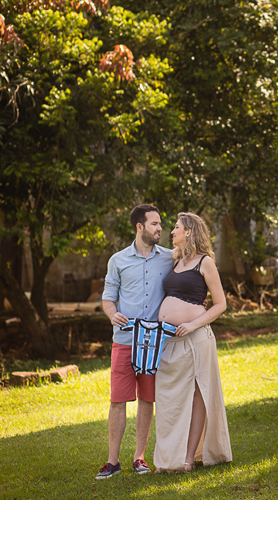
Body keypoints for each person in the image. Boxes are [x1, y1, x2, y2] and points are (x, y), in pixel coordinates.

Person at [97, 204, 172, 479]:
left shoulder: (169, 258)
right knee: (118, 400)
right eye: (154, 224)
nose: (160, 228)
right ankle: (112, 461)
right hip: (125, 340)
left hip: (153, 343)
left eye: (160, 223)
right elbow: (108, 297)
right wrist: (112, 313)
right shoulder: (117, 260)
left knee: (146, 400)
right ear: (140, 227)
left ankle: (139, 458)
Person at [154, 212, 232, 473]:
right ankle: (168, 458)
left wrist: (192, 324)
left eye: (176, 227)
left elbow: (221, 304)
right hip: (170, 341)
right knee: (170, 398)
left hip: (196, 337)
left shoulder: (205, 262)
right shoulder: (175, 261)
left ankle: (188, 457)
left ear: (189, 232)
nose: (171, 231)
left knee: (198, 395)